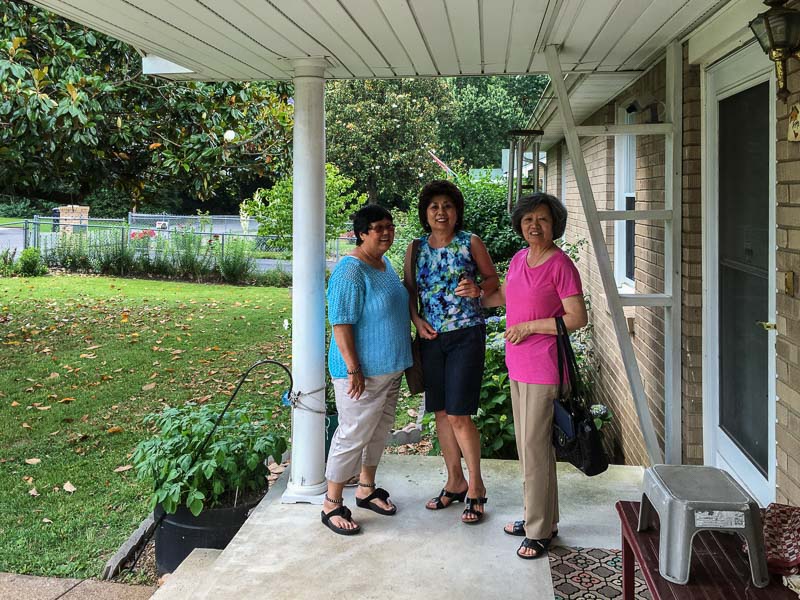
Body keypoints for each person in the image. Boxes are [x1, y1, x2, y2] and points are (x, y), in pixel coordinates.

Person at [482, 192, 588, 559]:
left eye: (542, 219)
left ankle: (539, 530)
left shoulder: (561, 265)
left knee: (533, 448)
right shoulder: (519, 259)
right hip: (518, 365)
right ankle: (541, 518)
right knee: (534, 450)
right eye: (528, 220)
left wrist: (530, 328)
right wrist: (472, 296)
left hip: (545, 368)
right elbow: (506, 297)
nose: (534, 226)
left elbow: (576, 318)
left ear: (554, 224)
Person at [404, 180, 499, 524]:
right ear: (425, 214)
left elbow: (492, 280)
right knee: (442, 413)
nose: (441, 212)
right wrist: (416, 320)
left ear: (456, 212)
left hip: (465, 336)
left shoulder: (469, 242)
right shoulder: (416, 248)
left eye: (447, 206)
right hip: (431, 339)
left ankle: (476, 486)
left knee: (460, 414)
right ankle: (454, 481)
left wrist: (478, 288)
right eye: (434, 207)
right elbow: (411, 291)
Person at [322, 205, 412, 536]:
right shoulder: (350, 271)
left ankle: (366, 488)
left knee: (378, 431)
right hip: (360, 373)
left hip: (389, 369)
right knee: (353, 433)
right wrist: (354, 368)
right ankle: (331, 503)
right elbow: (341, 324)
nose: (386, 232)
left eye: (390, 226)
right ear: (362, 233)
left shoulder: (383, 263)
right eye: (378, 227)